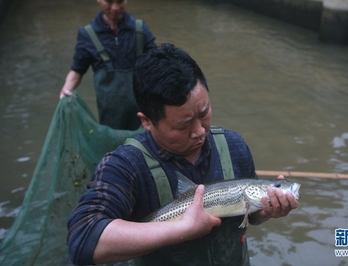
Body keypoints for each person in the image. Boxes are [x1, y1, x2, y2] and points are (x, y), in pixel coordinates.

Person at [67, 43, 299, 265]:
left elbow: (252, 216)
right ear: (146, 121)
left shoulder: (234, 146)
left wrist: (267, 211)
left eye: (204, 112)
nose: (199, 131)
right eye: (183, 125)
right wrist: (181, 228)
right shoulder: (125, 165)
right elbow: (83, 239)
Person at [59, 0, 157, 130]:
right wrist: (66, 89)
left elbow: (157, 64)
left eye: (120, 1)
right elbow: (77, 70)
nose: (115, 7)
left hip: (143, 114)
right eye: (109, 1)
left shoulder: (140, 28)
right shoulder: (87, 34)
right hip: (110, 118)